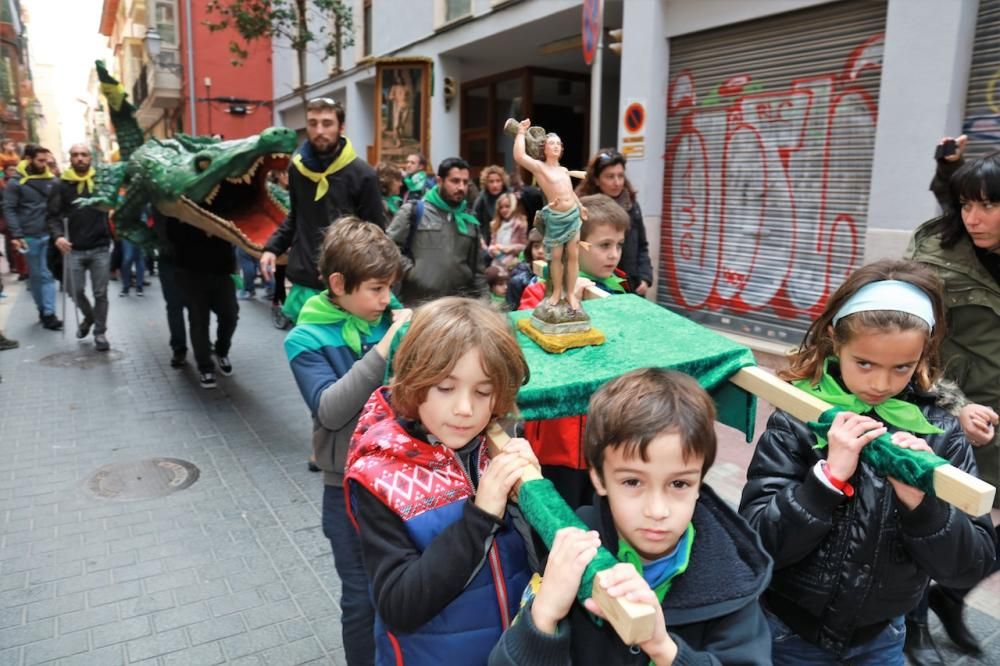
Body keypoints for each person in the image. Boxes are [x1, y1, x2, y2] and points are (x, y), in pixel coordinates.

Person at [738, 259, 996, 664]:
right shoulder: (799, 420)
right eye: (864, 363)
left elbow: (969, 566)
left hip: (882, 639)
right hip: (787, 633)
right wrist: (824, 482)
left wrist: (923, 503)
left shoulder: (940, 434)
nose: (880, 384)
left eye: (902, 368)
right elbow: (756, 544)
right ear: (833, 340)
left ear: (923, 352)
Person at [490, 368, 773, 665]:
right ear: (599, 479)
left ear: (700, 482)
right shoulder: (574, 547)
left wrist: (665, 650)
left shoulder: (732, 580)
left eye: (679, 484)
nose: (657, 510)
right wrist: (543, 617)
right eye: (633, 482)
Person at [344, 297, 537, 666]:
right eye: (446, 388)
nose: (465, 408)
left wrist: (527, 497)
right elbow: (399, 605)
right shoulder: (379, 478)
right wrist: (482, 516)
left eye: (483, 391)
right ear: (416, 383)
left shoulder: (491, 447)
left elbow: (533, 564)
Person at [284, 217, 410, 666]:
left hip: (402, 479)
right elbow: (330, 409)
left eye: (390, 287)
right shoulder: (306, 337)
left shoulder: (389, 317)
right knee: (362, 601)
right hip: (347, 492)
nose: (386, 299)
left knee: (401, 590)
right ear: (338, 283)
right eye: (376, 289)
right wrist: (383, 351)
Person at [906, 147, 1000, 659]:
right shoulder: (937, 256)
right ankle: (914, 622)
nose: (973, 217)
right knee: (931, 518)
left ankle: (953, 597)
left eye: (987, 205)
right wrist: (955, 405)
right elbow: (911, 347)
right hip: (952, 417)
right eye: (966, 204)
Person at [518, 194, 630, 508]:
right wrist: (569, 305)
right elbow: (535, 363)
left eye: (619, 245)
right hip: (557, 443)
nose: (614, 255)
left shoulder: (618, 291)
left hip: (607, 439)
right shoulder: (540, 292)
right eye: (604, 245)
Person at [260, 97, 384, 324]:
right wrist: (272, 248)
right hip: (305, 281)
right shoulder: (297, 169)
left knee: (346, 356)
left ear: (341, 128)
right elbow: (296, 216)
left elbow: (376, 234)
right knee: (304, 354)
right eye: (313, 123)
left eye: (327, 124)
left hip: (346, 286)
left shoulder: (362, 174)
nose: (319, 130)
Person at [386, 157, 485, 305]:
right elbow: (387, 247)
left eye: (465, 182)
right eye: (455, 181)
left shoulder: (469, 219)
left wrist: (486, 304)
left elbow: (478, 271)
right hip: (416, 303)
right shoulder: (413, 211)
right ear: (440, 181)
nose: (461, 187)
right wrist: (412, 271)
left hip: (455, 305)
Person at [512, 119, 588, 311]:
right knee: (555, 257)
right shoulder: (540, 167)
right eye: (551, 143)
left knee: (573, 256)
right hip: (555, 218)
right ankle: (556, 292)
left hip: (572, 216)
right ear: (544, 148)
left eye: (558, 144)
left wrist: (580, 206)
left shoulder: (563, 170)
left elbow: (569, 192)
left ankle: (570, 294)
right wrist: (521, 132)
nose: (555, 146)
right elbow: (520, 156)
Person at [47, 144, 112, 351]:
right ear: (70, 159)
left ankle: (100, 333)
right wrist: (57, 236)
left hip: (100, 247)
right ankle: (89, 316)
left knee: (101, 293)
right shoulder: (61, 184)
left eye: (84, 155)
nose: (80, 158)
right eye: (75, 155)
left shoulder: (100, 181)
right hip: (73, 248)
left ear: (90, 158)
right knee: (74, 290)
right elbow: (53, 216)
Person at [166, 217, 239, 389]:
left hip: (222, 270)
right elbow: (172, 234)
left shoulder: (224, 197)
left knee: (230, 315)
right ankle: (205, 367)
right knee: (199, 320)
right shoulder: (179, 206)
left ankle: (221, 350)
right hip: (191, 271)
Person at [576, 149, 653, 295]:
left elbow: (642, 245)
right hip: (595, 284)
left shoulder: (632, 206)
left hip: (630, 283)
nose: (617, 182)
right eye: (610, 176)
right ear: (597, 179)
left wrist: (645, 276)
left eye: (620, 176)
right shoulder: (582, 209)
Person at [4, 144, 61, 330]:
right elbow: (9, 209)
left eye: (47, 161)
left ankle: (49, 313)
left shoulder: (52, 180)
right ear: (28, 159)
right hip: (29, 236)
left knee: (47, 275)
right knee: (36, 276)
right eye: (41, 160)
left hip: (50, 234)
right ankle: (42, 309)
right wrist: (17, 234)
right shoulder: (15, 183)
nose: (45, 164)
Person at [506, 228, 545, 310]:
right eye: (536, 246)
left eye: (546, 246)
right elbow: (512, 312)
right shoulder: (517, 281)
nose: (540, 251)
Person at [488, 192, 527, 270]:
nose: (504, 210)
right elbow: (491, 245)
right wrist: (492, 249)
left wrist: (509, 248)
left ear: (513, 206)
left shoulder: (520, 224)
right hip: (496, 263)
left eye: (507, 206)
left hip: (512, 265)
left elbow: (524, 247)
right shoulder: (495, 224)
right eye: (501, 207)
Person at [473, 165, 510, 239]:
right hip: (488, 240)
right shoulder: (481, 199)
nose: (495, 185)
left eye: (498, 181)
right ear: (486, 183)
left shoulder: (510, 196)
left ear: (503, 182)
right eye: (491, 181)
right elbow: (475, 222)